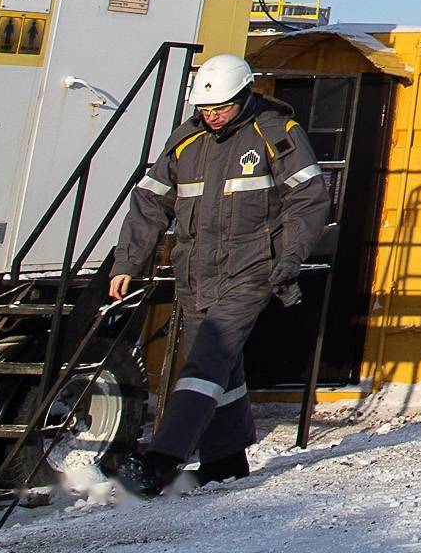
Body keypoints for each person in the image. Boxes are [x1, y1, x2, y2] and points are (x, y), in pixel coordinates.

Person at [105, 53, 331, 498]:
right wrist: (128, 264)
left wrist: (288, 260)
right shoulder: (186, 142)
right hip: (194, 276)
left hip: (252, 269)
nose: (211, 116)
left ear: (244, 95)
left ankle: (162, 461)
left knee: (207, 359)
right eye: (205, 109)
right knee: (216, 371)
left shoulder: (275, 133)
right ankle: (226, 460)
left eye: (220, 108)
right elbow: (150, 205)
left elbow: (308, 199)